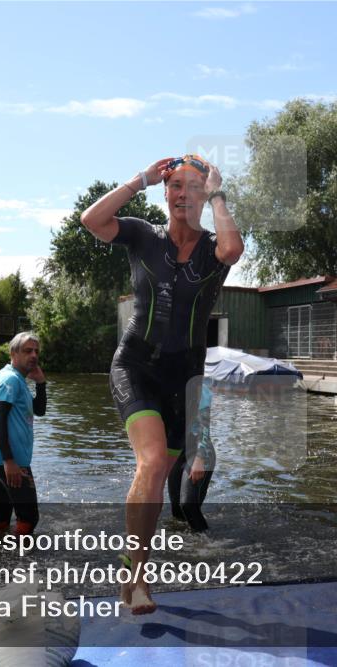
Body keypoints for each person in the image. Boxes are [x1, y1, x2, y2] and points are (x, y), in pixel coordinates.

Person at [81, 154, 243, 614]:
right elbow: (91, 219)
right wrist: (141, 179)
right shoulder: (140, 235)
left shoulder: (216, 247)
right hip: (136, 364)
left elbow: (233, 251)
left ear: (204, 195)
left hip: (185, 377)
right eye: (174, 186)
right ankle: (137, 581)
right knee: (152, 464)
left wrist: (218, 193)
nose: (182, 195)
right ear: (165, 193)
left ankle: (134, 571)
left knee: (160, 472)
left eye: (193, 188)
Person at [0, 331, 47, 537]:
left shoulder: (16, 379)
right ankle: (21, 563)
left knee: (1, 515)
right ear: (13, 353)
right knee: (29, 517)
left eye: (36, 351)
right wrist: (9, 461)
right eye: (28, 351)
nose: (34, 355)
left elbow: (39, 410)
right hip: (10, 462)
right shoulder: (10, 379)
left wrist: (41, 383)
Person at [167, 379, 216, 532]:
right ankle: (183, 544)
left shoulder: (200, 389)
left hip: (199, 453)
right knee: (176, 509)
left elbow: (204, 427)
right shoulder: (164, 387)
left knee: (188, 505)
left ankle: (207, 544)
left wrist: (199, 459)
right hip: (177, 452)